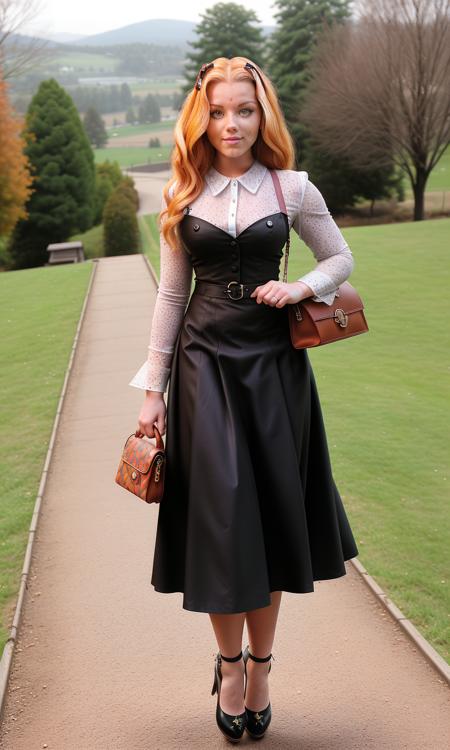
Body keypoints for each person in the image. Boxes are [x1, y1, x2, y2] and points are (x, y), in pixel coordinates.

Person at [128, 56, 359, 743]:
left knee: (269, 521)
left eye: (245, 111)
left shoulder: (293, 188)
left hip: (275, 371)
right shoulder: (184, 189)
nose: (232, 124)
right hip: (204, 367)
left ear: (264, 116)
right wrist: (152, 390)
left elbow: (340, 259)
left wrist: (301, 288)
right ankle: (228, 664)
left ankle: (261, 664)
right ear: (203, 116)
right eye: (220, 111)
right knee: (222, 524)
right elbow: (172, 294)